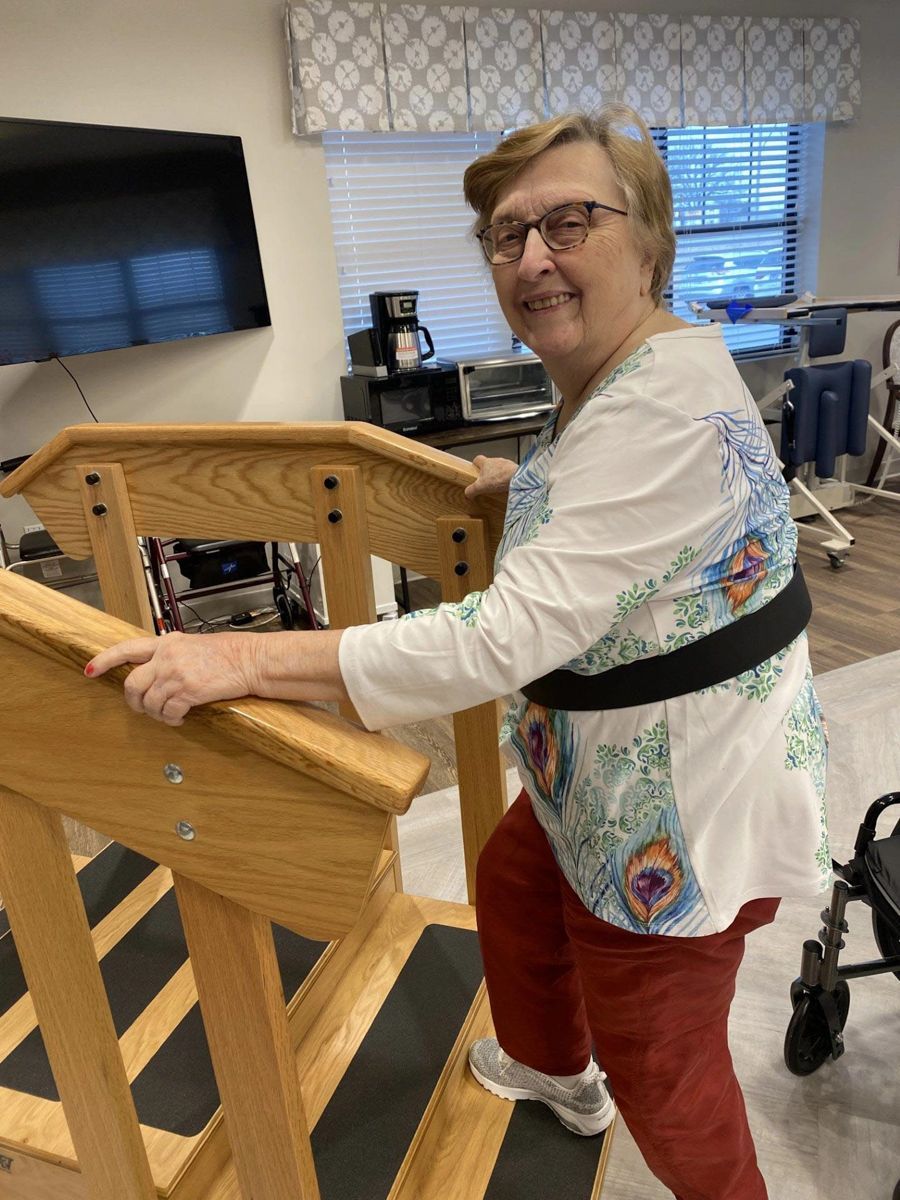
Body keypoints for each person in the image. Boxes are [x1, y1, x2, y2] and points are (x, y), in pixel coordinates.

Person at [86, 105, 829, 1200]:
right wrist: (518, 486)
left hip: (681, 801)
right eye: (506, 234)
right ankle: (551, 1071)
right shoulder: (636, 371)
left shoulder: (655, 413)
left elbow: (499, 639)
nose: (531, 259)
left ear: (652, 239)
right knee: (517, 884)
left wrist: (241, 662)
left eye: (569, 222)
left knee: (663, 1068)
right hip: (609, 759)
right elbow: (617, 524)